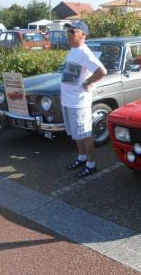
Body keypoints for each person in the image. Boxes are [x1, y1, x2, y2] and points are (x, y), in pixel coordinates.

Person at [61, 21, 107, 178]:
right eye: (68, 31)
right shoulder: (73, 50)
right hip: (68, 100)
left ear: (83, 34)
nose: (69, 34)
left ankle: (91, 164)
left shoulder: (84, 53)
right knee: (76, 133)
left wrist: (88, 82)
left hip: (78, 101)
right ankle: (81, 158)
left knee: (85, 134)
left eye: (73, 32)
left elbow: (102, 71)